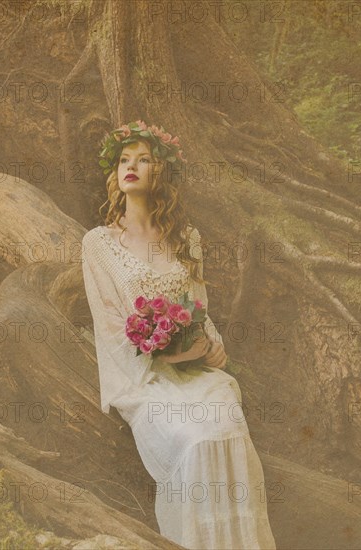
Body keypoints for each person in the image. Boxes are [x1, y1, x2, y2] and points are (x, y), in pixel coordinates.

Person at [81, 120, 276, 550]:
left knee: (226, 431)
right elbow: (111, 328)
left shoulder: (187, 239)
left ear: (161, 172)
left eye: (143, 159)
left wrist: (210, 349)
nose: (130, 166)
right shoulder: (99, 244)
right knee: (194, 441)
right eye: (123, 160)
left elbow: (200, 312)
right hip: (145, 380)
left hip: (199, 375)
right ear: (115, 173)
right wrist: (163, 356)